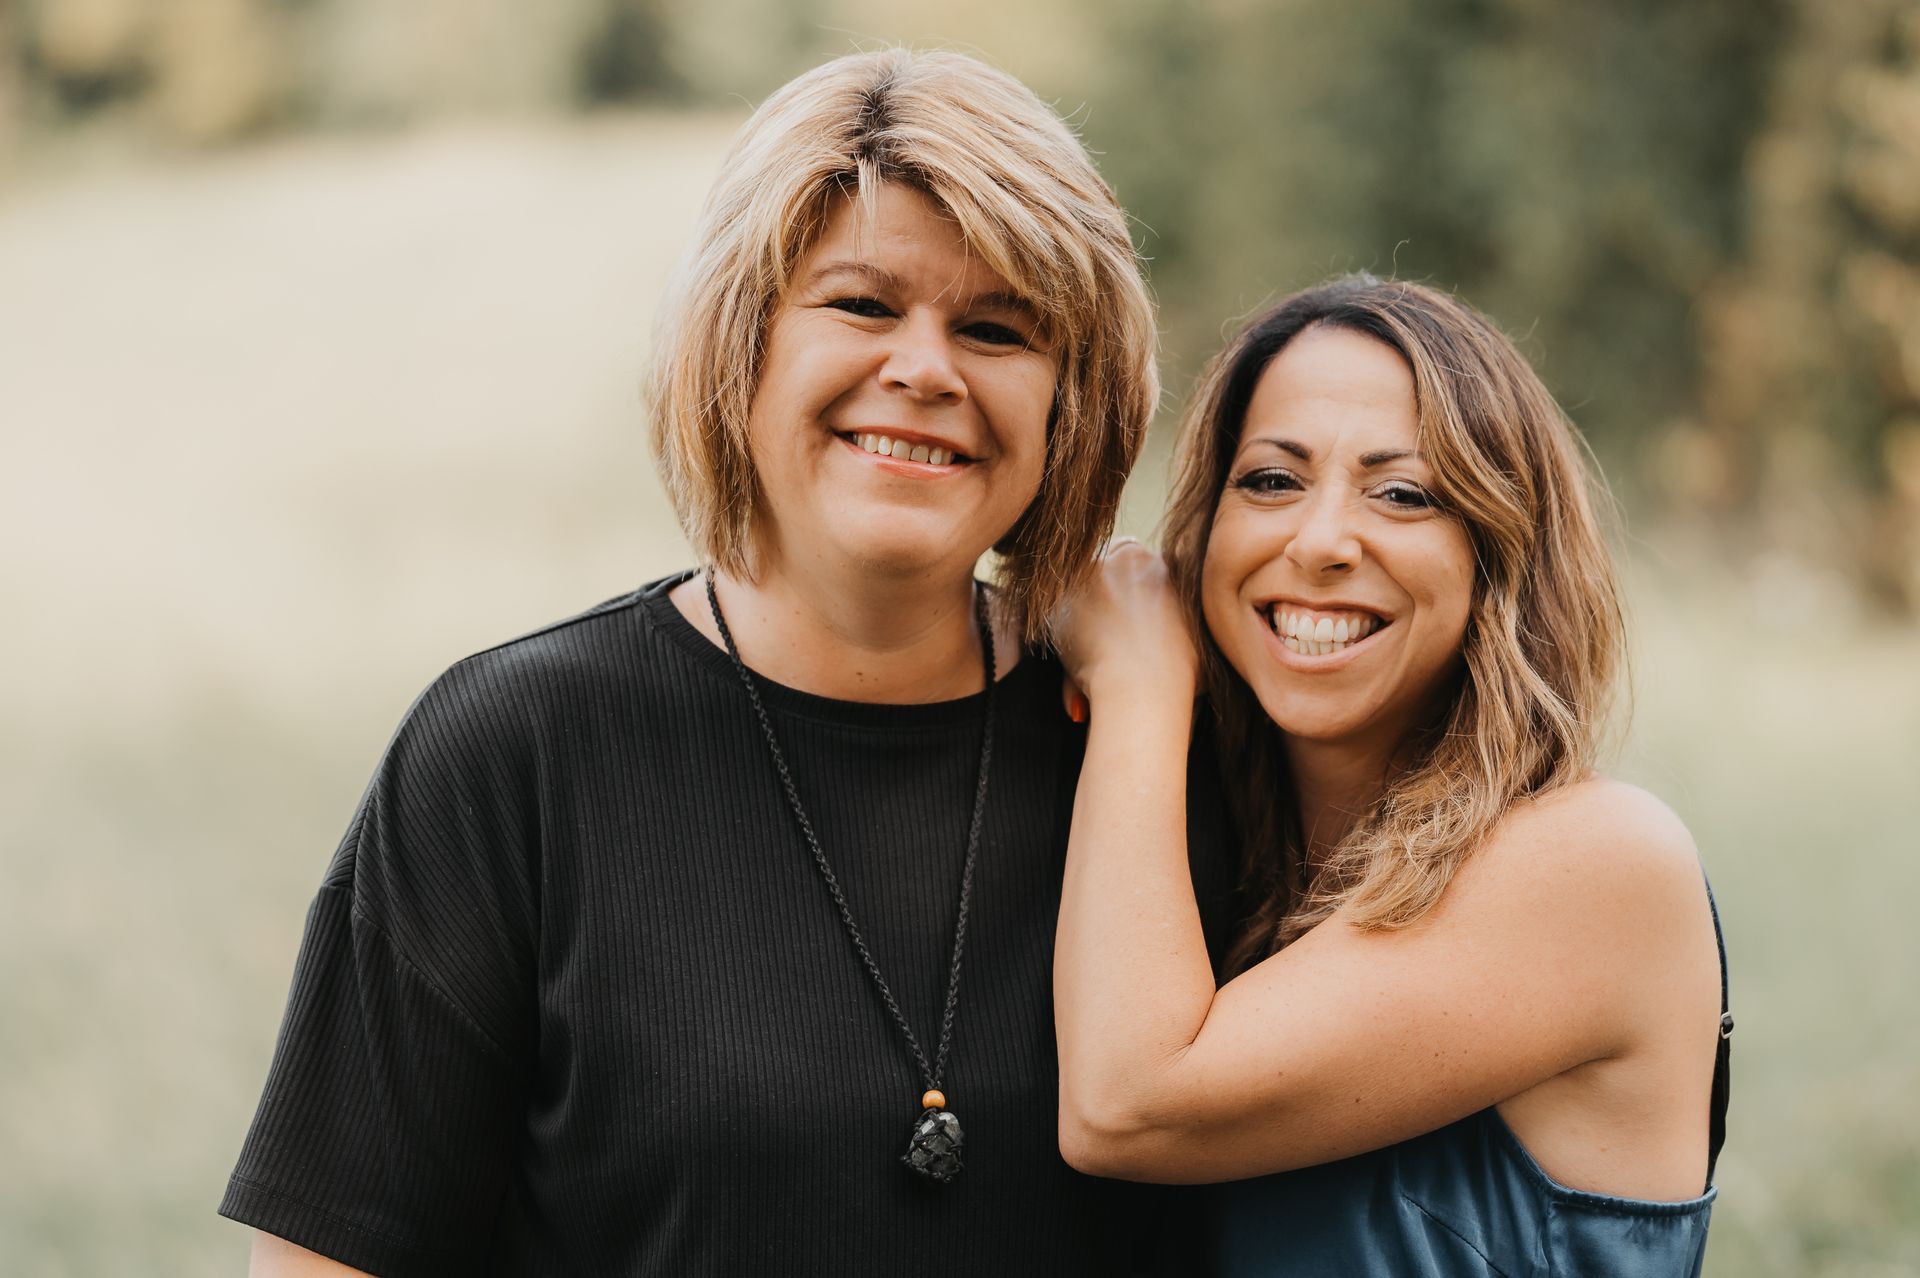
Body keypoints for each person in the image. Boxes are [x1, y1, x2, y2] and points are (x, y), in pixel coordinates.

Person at [221, 48, 1234, 1276]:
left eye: (995, 329)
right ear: (738, 341)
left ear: (1074, 399)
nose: (926, 369)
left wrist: (1148, 701)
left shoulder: (1156, 745)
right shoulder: (510, 755)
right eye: (862, 306)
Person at [1050, 276, 1731, 1276]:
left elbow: (1125, 1105)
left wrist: (1141, 681)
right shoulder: (1205, 855)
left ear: (1500, 552)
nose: (1321, 542)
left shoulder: (1604, 862)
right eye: (1271, 481)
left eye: (1403, 493)